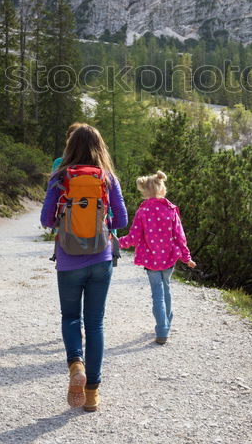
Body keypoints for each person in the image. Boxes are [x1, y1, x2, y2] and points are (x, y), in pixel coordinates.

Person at [40, 124, 127, 412]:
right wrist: (100, 222)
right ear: (99, 147)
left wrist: (69, 221)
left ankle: (76, 364)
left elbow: (46, 219)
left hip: (68, 259)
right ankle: (92, 394)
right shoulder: (108, 177)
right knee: (95, 323)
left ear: (70, 147)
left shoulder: (60, 176)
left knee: (70, 318)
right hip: (101, 260)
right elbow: (122, 220)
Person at [120, 170, 195, 344]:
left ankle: (162, 330)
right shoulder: (171, 209)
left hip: (151, 260)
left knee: (157, 294)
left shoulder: (143, 211)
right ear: (162, 188)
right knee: (166, 288)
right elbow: (180, 236)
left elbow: (133, 237)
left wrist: (116, 242)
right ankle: (166, 323)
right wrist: (186, 257)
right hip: (169, 258)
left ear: (145, 191)